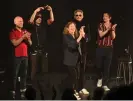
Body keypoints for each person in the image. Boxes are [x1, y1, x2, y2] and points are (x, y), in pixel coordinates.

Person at [28, 5, 54, 80]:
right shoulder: (32, 26)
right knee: (34, 69)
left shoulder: (44, 25)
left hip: (43, 50)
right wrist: (35, 11)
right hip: (34, 51)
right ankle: (32, 85)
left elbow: (51, 20)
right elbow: (30, 21)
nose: (39, 19)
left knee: (44, 70)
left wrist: (51, 11)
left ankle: (44, 85)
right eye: (37, 18)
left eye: (40, 18)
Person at [9, 16, 32, 99]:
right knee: (14, 75)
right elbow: (14, 43)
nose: (21, 22)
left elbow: (30, 44)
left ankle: (23, 91)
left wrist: (28, 38)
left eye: (22, 21)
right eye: (19, 21)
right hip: (17, 56)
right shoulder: (12, 32)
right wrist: (23, 37)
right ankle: (13, 91)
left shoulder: (24, 31)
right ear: (15, 23)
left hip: (25, 56)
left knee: (24, 74)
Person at [96, 13, 117, 91]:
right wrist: (108, 29)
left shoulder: (112, 25)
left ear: (110, 18)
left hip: (109, 48)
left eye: (106, 16)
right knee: (99, 66)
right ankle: (99, 78)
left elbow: (113, 37)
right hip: (100, 48)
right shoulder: (100, 25)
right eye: (103, 16)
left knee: (107, 67)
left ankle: (105, 84)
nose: (104, 17)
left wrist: (112, 30)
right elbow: (101, 35)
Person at [63, 21, 85, 90]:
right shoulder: (65, 36)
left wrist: (82, 33)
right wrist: (80, 36)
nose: (73, 28)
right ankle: (73, 92)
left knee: (77, 77)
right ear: (67, 29)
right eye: (71, 26)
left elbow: (82, 42)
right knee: (73, 77)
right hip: (70, 61)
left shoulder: (75, 36)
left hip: (77, 61)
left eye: (74, 26)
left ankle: (76, 91)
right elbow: (72, 45)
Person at [73, 9, 91, 90]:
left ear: (83, 16)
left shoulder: (86, 25)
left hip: (83, 50)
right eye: (76, 15)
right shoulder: (72, 25)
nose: (78, 16)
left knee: (82, 70)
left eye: (80, 15)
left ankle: (82, 87)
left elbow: (89, 38)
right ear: (74, 16)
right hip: (74, 50)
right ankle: (75, 88)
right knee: (75, 70)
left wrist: (84, 35)